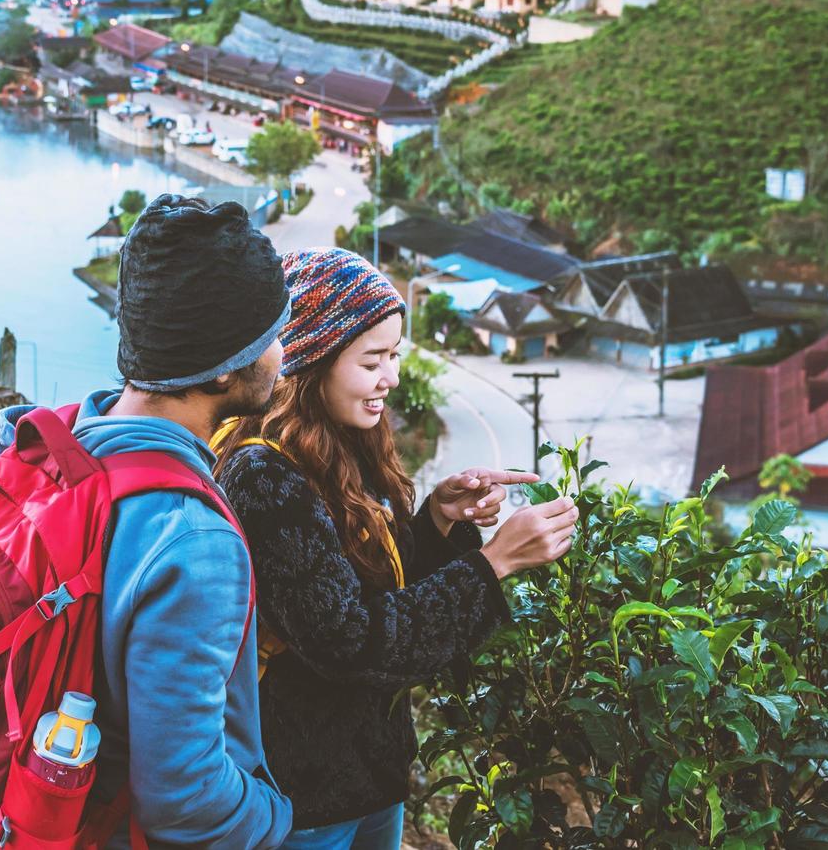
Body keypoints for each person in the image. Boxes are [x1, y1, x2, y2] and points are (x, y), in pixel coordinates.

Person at [214, 248, 577, 850]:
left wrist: (435, 520)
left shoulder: (342, 442)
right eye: (373, 360)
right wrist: (496, 562)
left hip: (369, 777)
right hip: (302, 792)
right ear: (312, 360)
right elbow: (350, 642)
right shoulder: (263, 476)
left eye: (395, 356)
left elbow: (376, 590)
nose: (393, 377)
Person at [0, 195, 294, 848]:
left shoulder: (43, 448)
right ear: (224, 367)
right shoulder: (192, 542)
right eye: (270, 335)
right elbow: (183, 800)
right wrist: (274, 819)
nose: (281, 352)